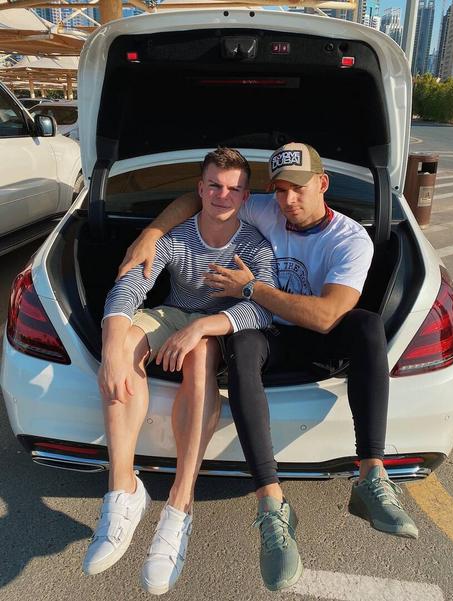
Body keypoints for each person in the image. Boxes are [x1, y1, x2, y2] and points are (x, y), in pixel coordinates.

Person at [117, 142, 419, 592]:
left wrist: (252, 288)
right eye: (279, 190)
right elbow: (199, 198)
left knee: (368, 325)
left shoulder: (350, 238)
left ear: (322, 183)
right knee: (242, 345)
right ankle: (271, 503)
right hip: (269, 334)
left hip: (320, 339)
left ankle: (371, 475)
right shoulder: (266, 208)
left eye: (298, 188)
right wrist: (152, 234)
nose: (288, 201)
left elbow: (326, 317)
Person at [83, 148, 279, 595]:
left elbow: (263, 308)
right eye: (214, 185)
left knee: (201, 355)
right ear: (200, 189)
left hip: (220, 328)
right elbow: (130, 286)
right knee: (125, 344)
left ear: (245, 196)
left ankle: (179, 504)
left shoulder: (254, 245)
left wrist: (203, 327)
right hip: (173, 313)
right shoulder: (175, 237)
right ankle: (123, 490)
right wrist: (111, 351)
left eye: (233, 189)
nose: (222, 195)